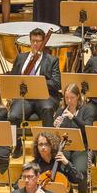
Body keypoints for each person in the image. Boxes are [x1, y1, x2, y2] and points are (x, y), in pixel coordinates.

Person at [8, 27, 61, 156]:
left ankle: (49, 145)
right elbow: (13, 78)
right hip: (24, 98)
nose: (36, 44)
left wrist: (37, 83)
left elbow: (56, 83)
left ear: (43, 42)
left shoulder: (52, 60)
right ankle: (17, 144)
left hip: (44, 97)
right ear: (30, 41)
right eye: (33, 41)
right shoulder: (21, 58)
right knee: (13, 116)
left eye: (38, 41)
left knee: (48, 109)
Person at [53, 85, 91, 193]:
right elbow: (56, 135)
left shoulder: (86, 110)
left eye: (72, 97)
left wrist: (73, 117)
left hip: (82, 148)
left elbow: (88, 129)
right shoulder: (61, 110)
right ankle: (66, 192)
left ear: (78, 97)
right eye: (66, 98)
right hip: (66, 147)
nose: (69, 101)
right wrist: (55, 127)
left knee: (81, 169)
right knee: (59, 164)